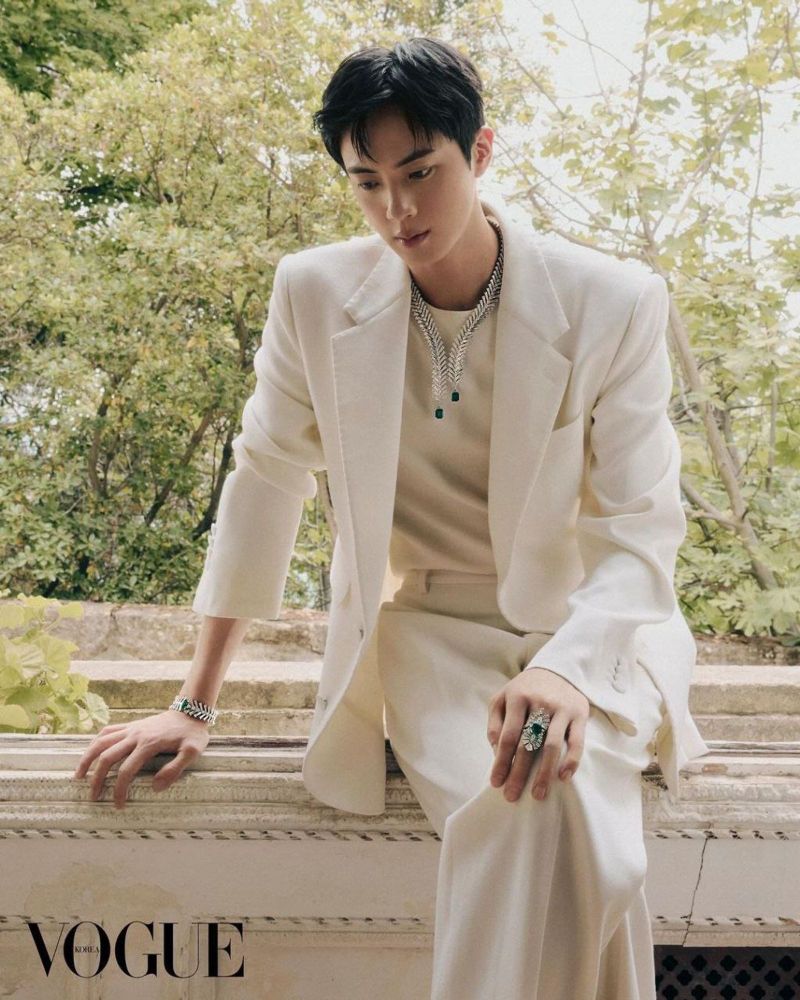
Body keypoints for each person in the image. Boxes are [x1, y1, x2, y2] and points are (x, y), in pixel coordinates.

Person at [73, 36, 710, 999]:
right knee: (525, 809)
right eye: (366, 183)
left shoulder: (611, 302)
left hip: (596, 631)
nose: (397, 210)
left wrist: (569, 668)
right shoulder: (315, 294)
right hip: (426, 635)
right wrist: (195, 702)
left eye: (420, 172)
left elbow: (640, 530)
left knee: (585, 827)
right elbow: (265, 481)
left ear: (480, 152)